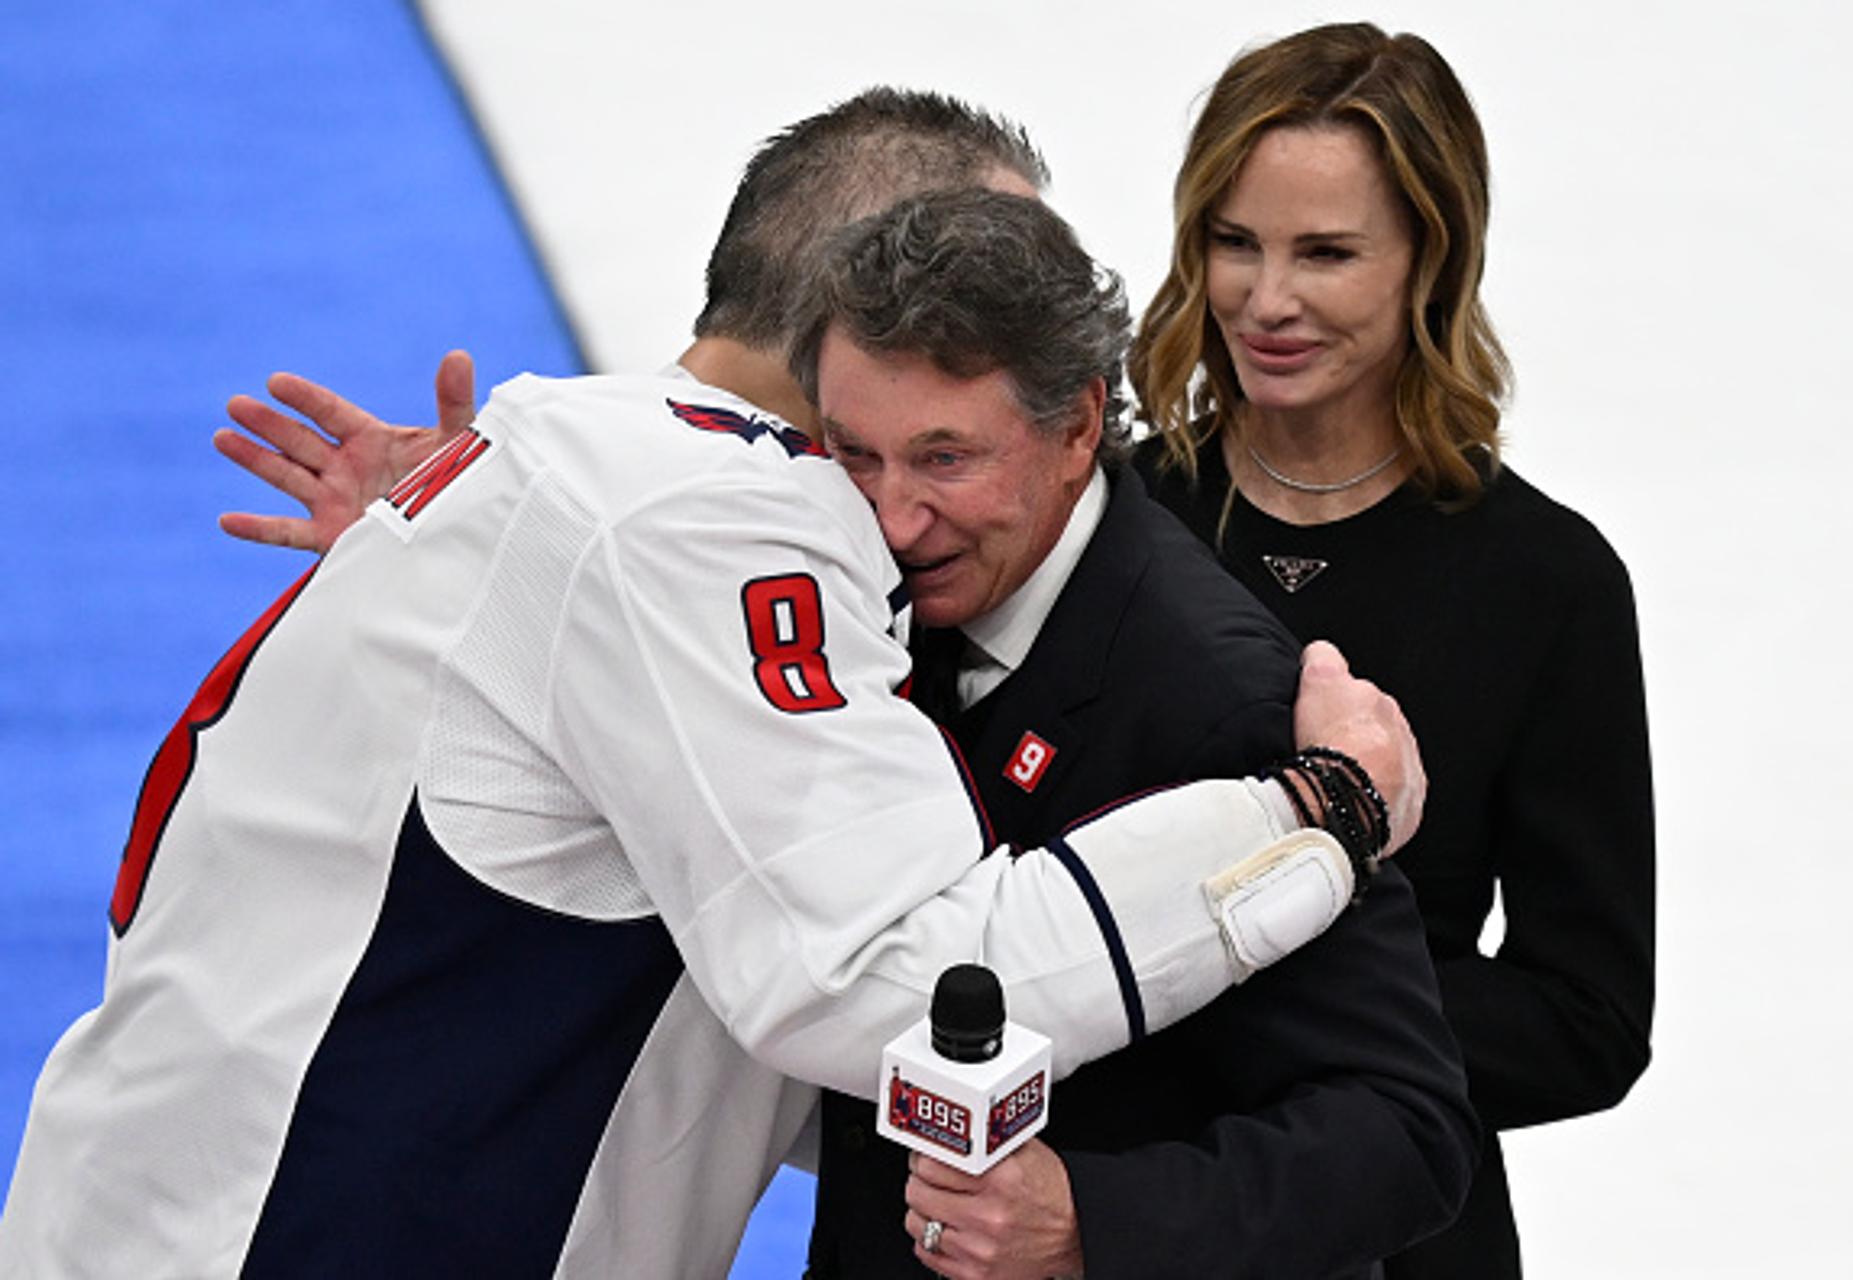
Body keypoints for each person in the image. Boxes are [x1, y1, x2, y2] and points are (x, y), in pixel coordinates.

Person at [0, 90, 1423, 1279]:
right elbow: (901, 990)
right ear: (868, 291)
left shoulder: (573, 459)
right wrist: (1318, 809)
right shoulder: (704, 520)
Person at [794, 188, 1476, 1280]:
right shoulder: (850, 593)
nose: (892, 517)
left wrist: (1085, 1221)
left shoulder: (1221, 699)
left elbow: (1405, 1130)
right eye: (855, 454)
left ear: (1076, 426)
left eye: (945, 459)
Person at [1128, 24, 1656, 1277]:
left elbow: (1585, 1021)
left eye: (1326, 253)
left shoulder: (1550, 583)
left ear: (1431, 258)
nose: (1265, 299)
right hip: (1107, 1208)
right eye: (1233, 241)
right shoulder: (1114, 523)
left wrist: (1241, 989)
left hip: (1395, 1228)